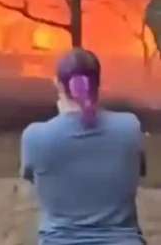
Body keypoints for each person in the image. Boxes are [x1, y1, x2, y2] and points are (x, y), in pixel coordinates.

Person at [20, 48, 145, 245]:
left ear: (58, 84)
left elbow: (32, 178)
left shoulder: (36, 136)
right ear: (98, 83)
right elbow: (138, 170)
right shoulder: (129, 127)